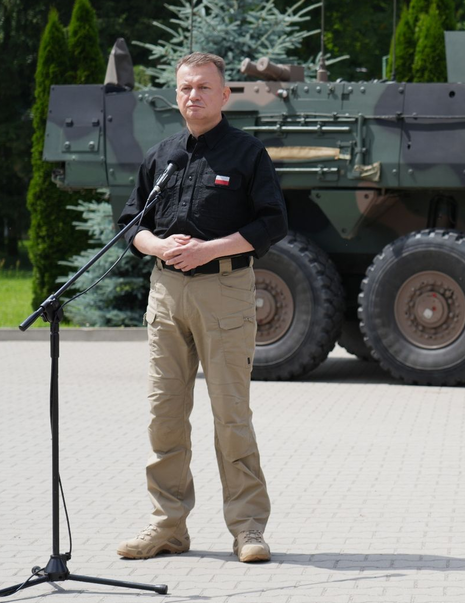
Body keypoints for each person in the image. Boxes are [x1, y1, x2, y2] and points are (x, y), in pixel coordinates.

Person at [116, 52, 287, 563]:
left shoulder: (247, 154)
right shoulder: (162, 155)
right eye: (186, 88)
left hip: (225, 292)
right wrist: (158, 247)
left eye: (204, 88)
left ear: (224, 94)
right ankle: (167, 526)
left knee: (230, 415)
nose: (194, 96)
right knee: (164, 415)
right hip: (167, 293)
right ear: (176, 94)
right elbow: (129, 223)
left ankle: (248, 528)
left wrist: (209, 249)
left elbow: (272, 223)